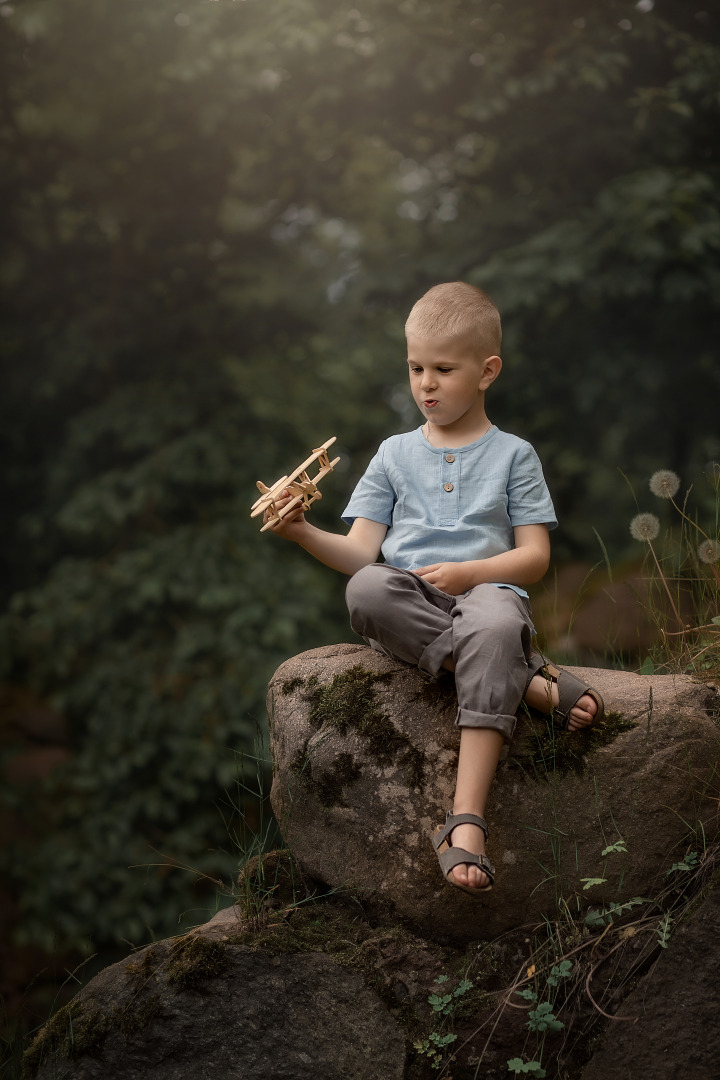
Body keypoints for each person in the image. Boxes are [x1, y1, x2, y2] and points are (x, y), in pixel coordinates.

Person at [264, 282, 603, 896]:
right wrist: (303, 532)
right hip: (412, 600)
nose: (426, 383)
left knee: (495, 625)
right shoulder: (393, 455)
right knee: (367, 590)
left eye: (444, 369)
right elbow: (360, 553)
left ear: (487, 371)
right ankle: (522, 681)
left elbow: (534, 559)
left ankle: (464, 822)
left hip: (489, 595)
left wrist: (472, 573)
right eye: (417, 368)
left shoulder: (515, 455)